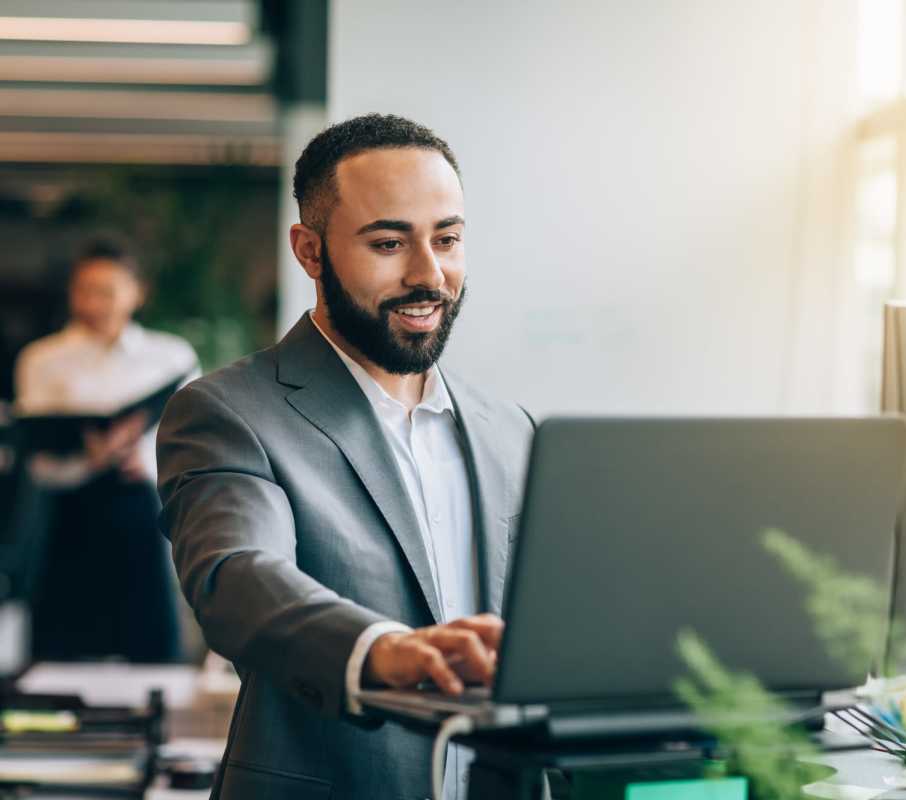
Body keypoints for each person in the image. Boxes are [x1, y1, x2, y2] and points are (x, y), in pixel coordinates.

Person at [156, 114, 534, 799]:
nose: (429, 274)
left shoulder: (513, 431)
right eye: (389, 242)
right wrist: (386, 651)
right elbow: (236, 577)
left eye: (446, 239)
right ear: (309, 251)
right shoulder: (229, 411)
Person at [15, 239, 198, 662]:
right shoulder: (41, 358)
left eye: (108, 290)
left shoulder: (170, 357)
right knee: (63, 650)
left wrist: (146, 460)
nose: (94, 302)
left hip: (142, 506)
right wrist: (89, 453)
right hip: (69, 511)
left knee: (149, 644)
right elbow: (37, 451)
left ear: (137, 292)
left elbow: (192, 442)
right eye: (84, 290)